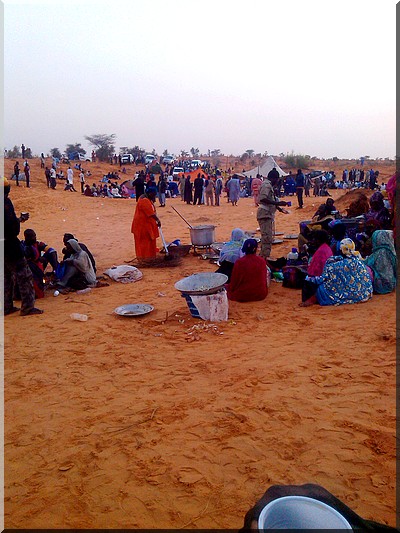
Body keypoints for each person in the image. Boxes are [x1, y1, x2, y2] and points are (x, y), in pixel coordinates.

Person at [3, 177, 43, 315]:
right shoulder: (5, 203)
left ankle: (6, 307)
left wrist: (18, 220)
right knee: (24, 276)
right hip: (10, 245)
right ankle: (27, 307)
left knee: (6, 277)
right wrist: (18, 221)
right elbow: (11, 227)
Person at [302, 238, 373, 307]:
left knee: (321, 288)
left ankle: (311, 300)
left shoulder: (335, 265)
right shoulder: (359, 262)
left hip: (346, 293)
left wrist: (308, 278)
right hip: (364, 294)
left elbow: (321, 279)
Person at [256, 174, 289, 259]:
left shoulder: (268, 185)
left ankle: (264, 256)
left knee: (267, 237)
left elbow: (270, 200)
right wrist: (277, 203)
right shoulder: (266, 185)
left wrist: (279, 208)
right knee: (267, 238)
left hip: (267, 214)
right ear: (274, 178)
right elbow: (263, 199)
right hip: (264, 215)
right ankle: (264, 258)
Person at [300, 230, 333, 306]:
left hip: (322, 280)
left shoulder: (321, 251)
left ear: (318, 240)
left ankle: (312, 298)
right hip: (327, 277)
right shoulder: (326, 248)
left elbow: (314, 272)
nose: (313, 241)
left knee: (306, 280)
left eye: (314, 239)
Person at [131, 189, 161, 260]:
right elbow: (151, 213)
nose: (154, 197)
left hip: (146, 224)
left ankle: (149, 257)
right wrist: (157, 220)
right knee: (144, 243)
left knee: (149, 242)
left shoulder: (146, 199)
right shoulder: (144, 201)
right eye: (154, 195)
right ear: (150, 194)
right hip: (142, 226)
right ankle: (145, 258)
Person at [364, 230, 397, 294]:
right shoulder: (391, 251)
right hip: (392, 283)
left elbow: (368, 262)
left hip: (380, 284)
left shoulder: (379, 252)